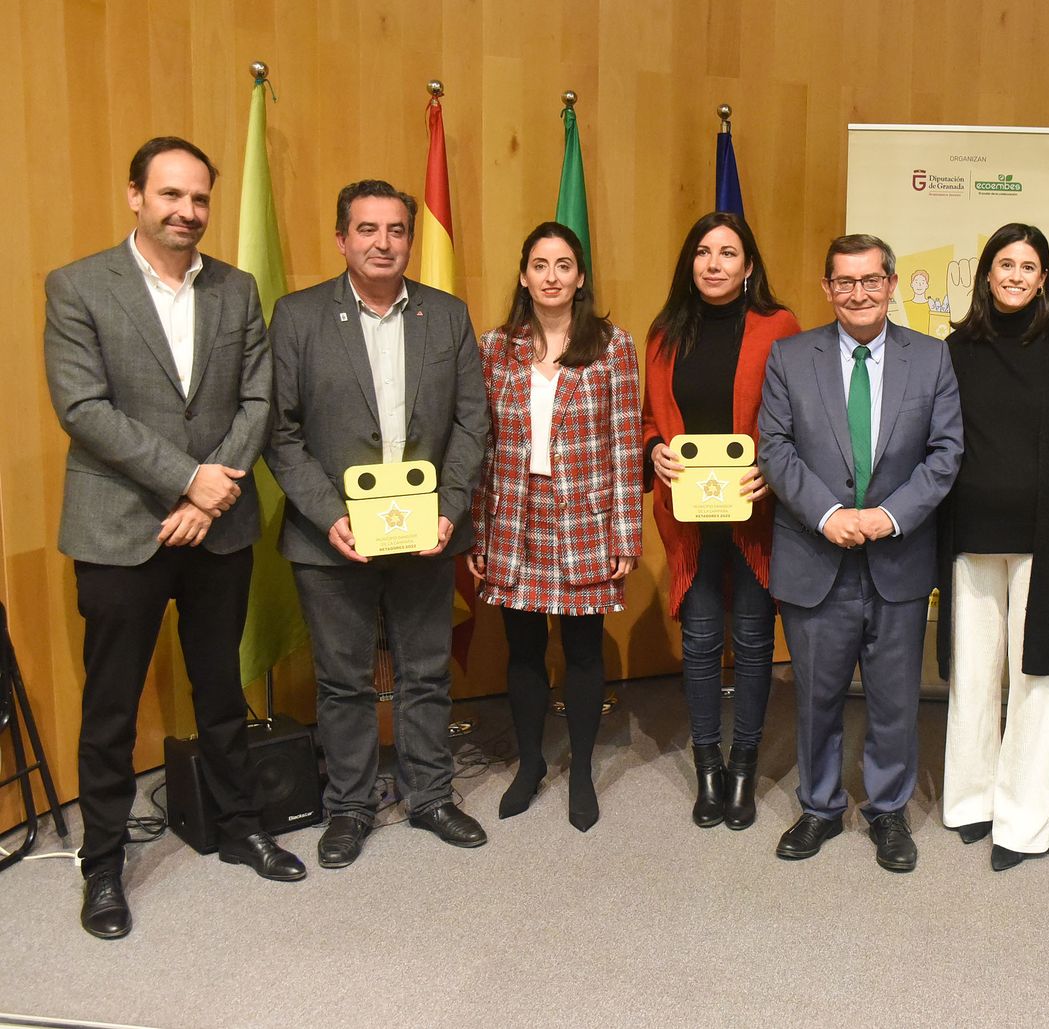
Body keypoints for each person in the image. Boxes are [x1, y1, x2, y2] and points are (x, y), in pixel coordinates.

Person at [44, 136, 305, 939]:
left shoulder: (236, 287)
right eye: (170, 196)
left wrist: (212, 488)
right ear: (135, 196)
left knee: (220, 688)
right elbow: (84, 409)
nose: (187, 212)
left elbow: (257, 402)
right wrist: (185, 479)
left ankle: (239, 824)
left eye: (199, 199)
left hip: (216, 527)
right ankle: (104, 866)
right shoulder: (79, 286)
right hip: (120, 525)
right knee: (112, 705)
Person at [266, 179, 489, 868]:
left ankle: (430, 796)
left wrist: (449, 511)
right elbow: (280, 431)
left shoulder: (446, 316)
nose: (382, 242)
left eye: (396, 230)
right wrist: (331, 517)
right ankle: (351, 806)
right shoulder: (298, 316)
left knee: (426, 672)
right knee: (343, 680)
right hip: (332, 539)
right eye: (367, 229)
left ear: (410, 240)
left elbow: (472, 422)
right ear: (341, 239)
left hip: (426, 533)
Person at [757, 234, 963, 873]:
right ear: (826, 288)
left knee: (895, 696)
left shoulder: (931, 359)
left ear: (892, 283)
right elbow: (775, 448)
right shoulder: (790, 357)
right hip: (816, 557)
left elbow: (946, 453)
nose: (858, 293)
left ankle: (888, 811)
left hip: (896, 557)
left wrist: (887, 517)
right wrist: (829, 515)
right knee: (816, 693)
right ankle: (819, 808)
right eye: (844, 282)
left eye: (871, 280)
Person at [934, 223, 1049, 871]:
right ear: (986, 273)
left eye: (1028, 265)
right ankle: (973, 799)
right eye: (1004, 263)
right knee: (975, 676)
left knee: (1039, 679)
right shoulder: (955, 349)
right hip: (969, 540)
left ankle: (1025, 818)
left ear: (1044, 278)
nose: (1014, 275)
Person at [468, 221, 641, 832]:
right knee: (522, 650)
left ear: (580, 277)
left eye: (563, 265)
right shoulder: (493, 348)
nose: (551, 277)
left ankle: (585, 768)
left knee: (583, 650)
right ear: (523, 274)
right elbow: (480, 446)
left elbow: (625, 444)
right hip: (515, 515)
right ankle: (531, 763)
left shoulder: (613, 346)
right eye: (540, 265)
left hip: (585, 517)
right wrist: (479, 529)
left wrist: (626, 534)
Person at [641, 212, 800, 830]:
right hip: (689, 513)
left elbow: (798, 411)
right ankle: (708, 765)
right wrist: (654, 446)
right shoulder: (663, 332)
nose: (713, 263)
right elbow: (651, 416)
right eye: (703, 252)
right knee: (704, 642)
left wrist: (772, 466)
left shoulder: (777, 327)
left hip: (754, 511)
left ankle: (743, 766)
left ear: (749, 266)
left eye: (727, 253)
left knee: (756, 643)